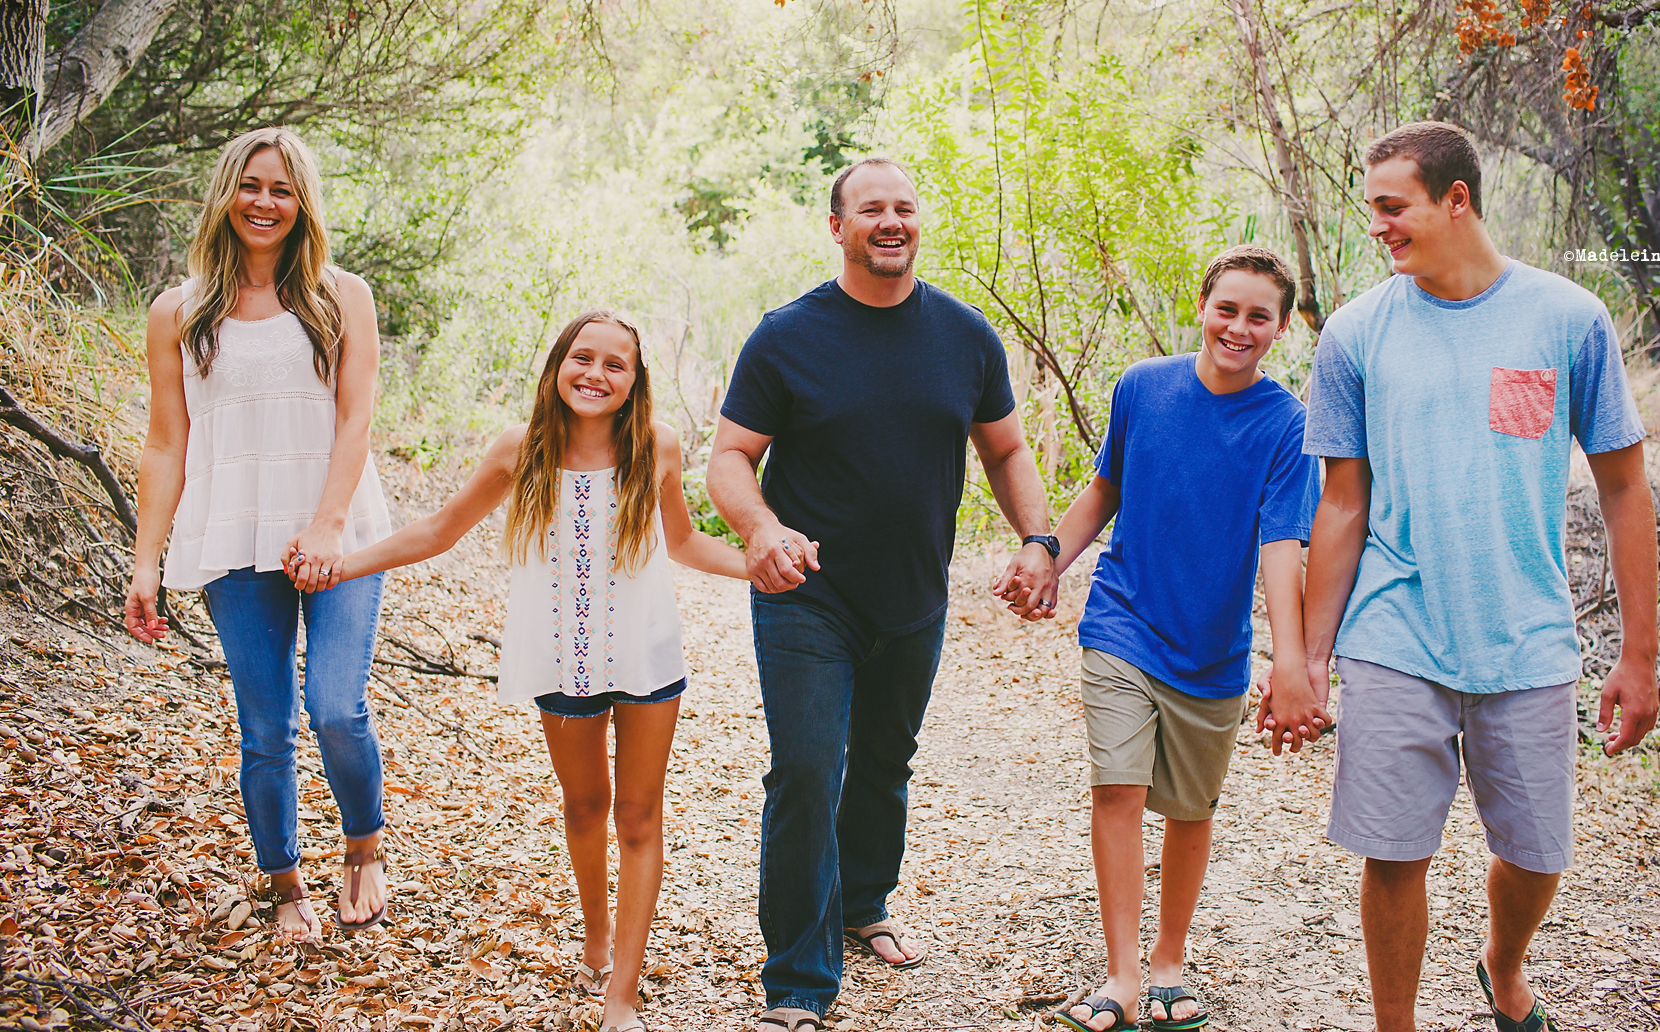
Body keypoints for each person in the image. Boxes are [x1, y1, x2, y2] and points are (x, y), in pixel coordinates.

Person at [1287, 121, 1660, 1032]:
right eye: (1372, 207)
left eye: (1393, 206)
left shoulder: (1567, 318)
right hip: (1394, 632)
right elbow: (1342, 505)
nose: (1377, 225)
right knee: (1392, 852)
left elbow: (1624, 487)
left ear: (1456, 199)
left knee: (1537, 853)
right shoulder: (1357, 333)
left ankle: (1502, 963)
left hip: (1526, 634)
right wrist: (1306, 657)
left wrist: (1640, 654)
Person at [308, 310, 748, 1032]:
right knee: (585, 807)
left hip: (646, 655)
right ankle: (597, 938)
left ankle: (622, 996)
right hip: (559, 657)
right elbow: (438, 530)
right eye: (583, 357)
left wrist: (762, 566)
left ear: (635, 381)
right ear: (557, 366)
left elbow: (686, 542)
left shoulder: (658, 445)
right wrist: (341, 565)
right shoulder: (522, 447)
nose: (596, 374)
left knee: (639, 816)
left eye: (615, 365)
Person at [707, 157, 1057, 1032]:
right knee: (806, 770)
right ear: (838, 227)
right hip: (806, 593)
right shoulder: (787, 336)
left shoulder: (965, 336)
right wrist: (761, 530)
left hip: (914, 594)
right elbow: (730, 457)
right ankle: (797, 982)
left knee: (883, 763)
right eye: (871, 209)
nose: (890, 221)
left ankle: (863, 903)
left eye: (904, 207)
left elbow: (1006, 449)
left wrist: (1037, 539)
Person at [1020, 246, 1321, 1032]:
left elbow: (1281, 546)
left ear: (1282, 328)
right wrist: (1050, 555)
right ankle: (1122, 976)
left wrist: (1289, 661)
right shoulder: (1142, 387)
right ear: (1202, 306)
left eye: (1259, 316)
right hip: (1122, 621)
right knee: (1117, 789)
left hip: (1212, 649)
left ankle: (1167, 962)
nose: (1239, 327)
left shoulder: (1288, 426)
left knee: (1190, 810)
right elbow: (1106, 488)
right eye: (1228, 309)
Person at [125, 127, 395, 942]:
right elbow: (166, 444)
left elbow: (356, 419)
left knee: (336, 709)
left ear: (302, 203)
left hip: (341, 532)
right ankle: (285, 885)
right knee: (266, 729)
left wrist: (326, 524)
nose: (264, 203)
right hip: (233, 538)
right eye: (250, 185)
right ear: (226, 195)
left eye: (282, 189)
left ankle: (363, 848)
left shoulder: (341, 295)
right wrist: (145, 563)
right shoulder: (178, 311)